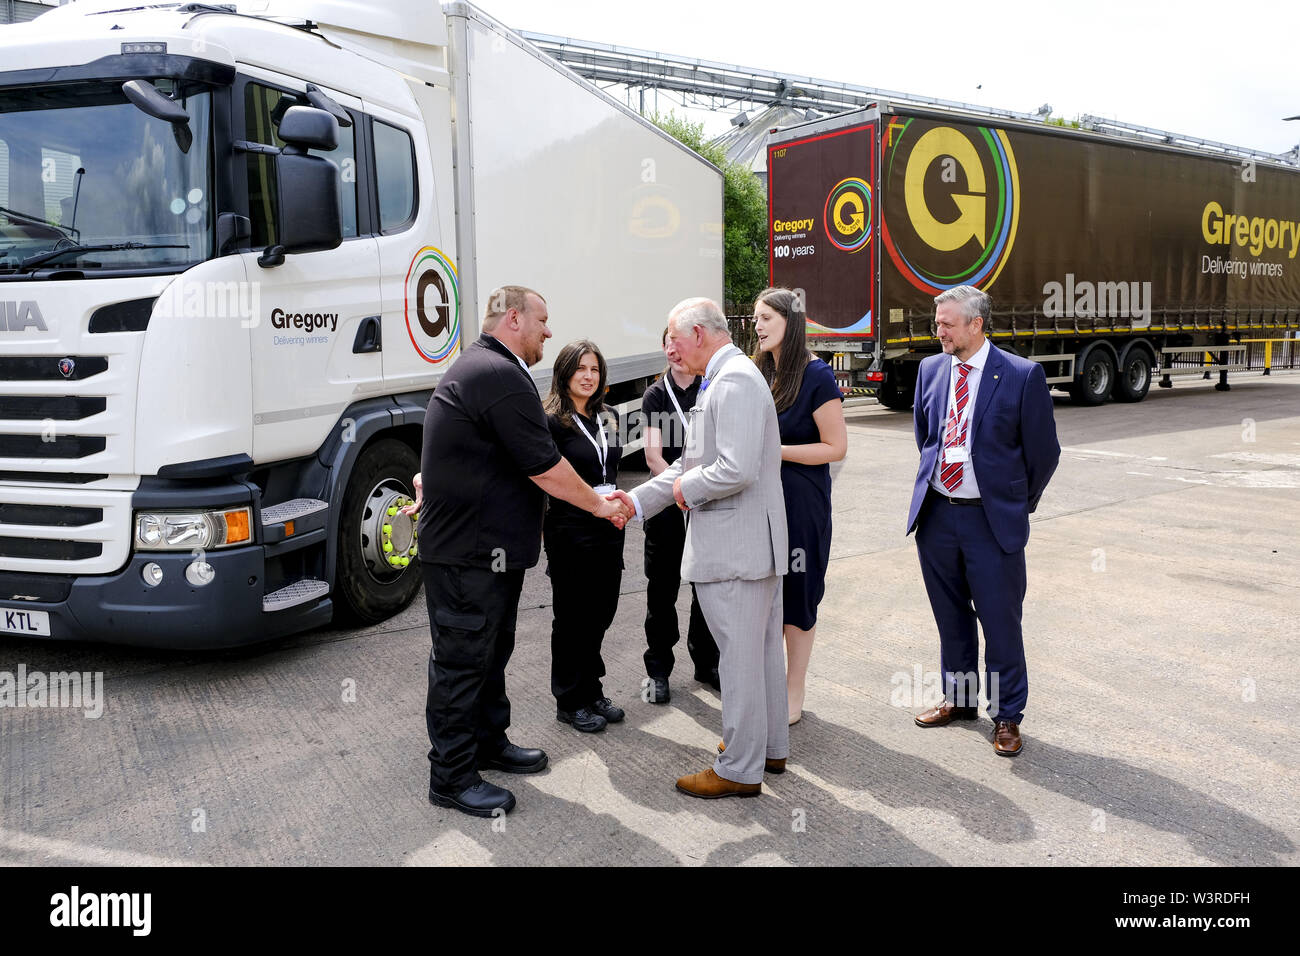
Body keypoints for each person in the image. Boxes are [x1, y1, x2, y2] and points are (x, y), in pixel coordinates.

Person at [406, 286, 628, 819]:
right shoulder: (499, 374)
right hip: (469, 557)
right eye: (543, 321)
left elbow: (463, 455)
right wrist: (600, 506)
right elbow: (546, 466)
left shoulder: (485, 370)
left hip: (488, 554)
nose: (549, 333)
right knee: (462, 663)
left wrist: (426, 483)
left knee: (490, 653)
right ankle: (452, 777)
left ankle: (488, 742)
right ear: (514, 320)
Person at [614, 298, 790, 799]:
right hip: (752, 545)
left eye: (673, 337)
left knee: (739, 659)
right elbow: (692, 462)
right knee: (757, 655)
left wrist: (680, 493)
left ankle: (739, 767)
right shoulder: (729, 376)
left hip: (736, 548)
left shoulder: (731, 381)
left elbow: (732, 469)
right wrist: (637, 501)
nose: (670, 348)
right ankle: (768, 746)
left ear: (697, 333)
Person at [906, 284, 1060, 757]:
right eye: (937, 322)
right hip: (937, 518)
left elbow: (1044, 454)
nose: (939, 331)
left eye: (947, 323)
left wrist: (1013, 503)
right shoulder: (931, 369)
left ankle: (1008, 716)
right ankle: (960, 698)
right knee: (950, 616)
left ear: (976, 324)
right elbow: (925, 435)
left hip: (990, 523)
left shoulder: (1020, 375)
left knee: (1000, 621)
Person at [752, 288, 847, 725]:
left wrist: (777, 451)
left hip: (801, 503)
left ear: (790, 322)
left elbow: (835, 447)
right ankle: (766, 684)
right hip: (757, 502)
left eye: (766, 317)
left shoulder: (817, 375)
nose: (757, 325)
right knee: (762, 593)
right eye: (755, 318)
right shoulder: (756, 372)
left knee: (799, 594)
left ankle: (794, 690)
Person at [542, 340, 626, 733]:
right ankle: (570, 698)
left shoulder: (608, 416)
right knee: (573, 616)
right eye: (580, 369)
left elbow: (612, 468)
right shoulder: (551, 422)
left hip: (608, 526)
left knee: (601, 611)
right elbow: (549, 478)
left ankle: (592, 689)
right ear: (565, 373)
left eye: (594, 369)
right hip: (570, 529)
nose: (588, 376)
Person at [638, 327, 719, 703]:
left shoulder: (711, 386)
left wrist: (698, 490)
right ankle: (658, 670)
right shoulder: (655, 394)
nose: (672, 350)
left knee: (704, 586)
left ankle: (706, 662)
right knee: (662, 589)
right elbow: (653, 456)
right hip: (669, 504)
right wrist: (676, 491)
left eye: (678, 343)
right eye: (666, 344)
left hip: (705, 501)